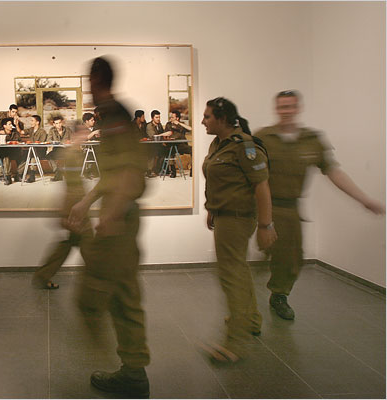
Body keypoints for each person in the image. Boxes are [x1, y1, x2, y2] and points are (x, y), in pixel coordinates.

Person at [254, 90, 385, 320]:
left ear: (298, 108)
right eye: (282, 107)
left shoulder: (312, 140)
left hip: (291, 208)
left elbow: (333, 172)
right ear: (276, 109)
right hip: (265, 204)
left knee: (293, 258)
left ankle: (279, 294)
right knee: (275, 251)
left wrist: (363, 199)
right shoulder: (263, 137)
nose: (286, 111)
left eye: (290, 106)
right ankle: (266, 274)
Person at [68, 56, 150, 397]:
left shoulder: (114, 114)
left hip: (121, 217)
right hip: (120, 214)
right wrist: (88, 201)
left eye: (89, 80)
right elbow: (113, 172)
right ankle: (133, 370)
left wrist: (111, 214)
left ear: (96, 80)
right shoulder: (109, 113)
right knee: (122, 295)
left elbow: (130, 170)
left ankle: (128, 369)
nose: (87, 86)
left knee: (100, 295)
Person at [200, 96, 277, 363]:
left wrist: (266, 225)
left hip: (237, 219)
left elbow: (261, 186)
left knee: (231, 276)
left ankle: (235, 342)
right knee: (239, 270)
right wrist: (212, 208)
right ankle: (251, 319)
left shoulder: (244, 147)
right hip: (224, 216)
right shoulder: (219, 143)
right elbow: (221, 181)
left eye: (207, 116)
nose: (203, 121)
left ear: (222, 119)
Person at [32, 121, 93, 290]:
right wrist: (74, 209)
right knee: (89, 243)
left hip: (76, 205)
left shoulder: (76, 152)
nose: (86, 136)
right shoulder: (73, 153)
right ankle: (99, 279)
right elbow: (72, 185)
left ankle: (43, 275)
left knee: (70, 244)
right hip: (76, 206)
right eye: (84, 133)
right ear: (76, 134)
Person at [17, 114, 47, 183]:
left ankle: (32, 176)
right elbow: (21, 132)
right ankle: (18, 174)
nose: (31, 122)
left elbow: (41, 144)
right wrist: (16, 124)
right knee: (25, 157)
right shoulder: (31, 129)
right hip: (30, 150)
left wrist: (32, 143)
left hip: (39, 151)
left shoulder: (42, 132)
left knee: (33, 157)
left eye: (32, 120)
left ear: (37, 122)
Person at [163, 110, 192, 178]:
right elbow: (166, 133)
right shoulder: (168, 124)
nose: (171, 119)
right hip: (171, 145)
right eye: (171, 117)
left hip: (181, 145)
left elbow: (190, 129)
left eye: (172, 117)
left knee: (193, 150)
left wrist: (179, 123)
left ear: (177, 118)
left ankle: (192, 169)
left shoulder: (182, 124)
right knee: (169, 151)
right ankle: (173, 171)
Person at [46, 115, 71, 181]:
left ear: (62, 123)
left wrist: (69, 142)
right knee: (48, 156)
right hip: (56, 149)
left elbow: (73, 138)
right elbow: (48, 140)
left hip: (66, 150)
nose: (59, 125)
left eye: (60, 123)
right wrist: (53, 142)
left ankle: (62, 174)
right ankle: (57, 171)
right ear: (54, 124)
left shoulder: (67, 130)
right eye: (57, 123)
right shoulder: (52, 130)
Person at [0, 117, 23, 185]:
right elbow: (0, 143)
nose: (11, 126)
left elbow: (19, 140)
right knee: (6, 158)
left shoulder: (15, 132)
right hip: (5, 152)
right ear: (4, 126)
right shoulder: (1, 133)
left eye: (11, 124)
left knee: (25, 158)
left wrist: (16, 142)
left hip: (15, 151)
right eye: (9, 124)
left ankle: (18, 175)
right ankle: (8, 177)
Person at [82, 112, 100, 179]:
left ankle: (94, 171)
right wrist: (93, 133)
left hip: (95, 147)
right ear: (87, 121)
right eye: (92, 120)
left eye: (94, 120)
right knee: (89, 153)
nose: (93, 121)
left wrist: (98, 136)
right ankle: (88, 172)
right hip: (85, 148)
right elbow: (84, 138)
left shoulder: (95, 128)